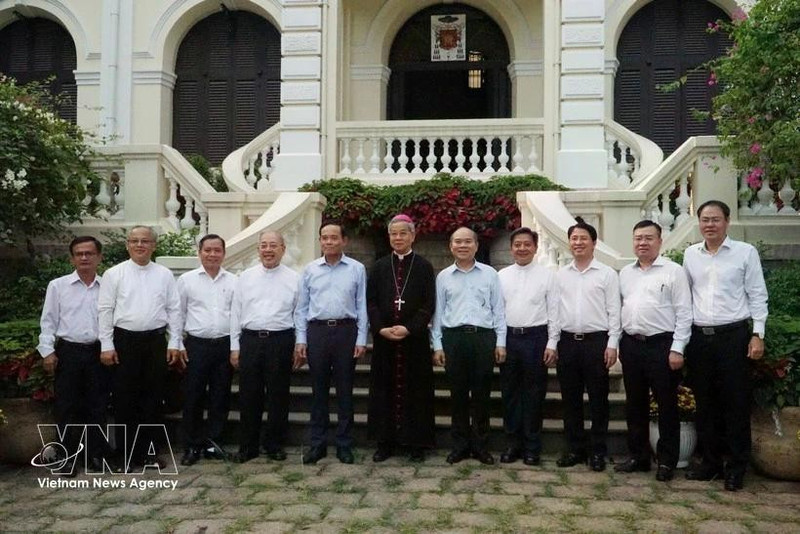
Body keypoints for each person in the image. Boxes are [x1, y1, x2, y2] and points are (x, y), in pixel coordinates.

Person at [683, 200, 768, 491]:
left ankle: (736, 466)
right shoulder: (690, 255)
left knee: (735, 403)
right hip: (699, 339)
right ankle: (710, 463)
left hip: (733, 338)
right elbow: (685, 299)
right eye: (705, 219)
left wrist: (758, 334)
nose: (710, 225)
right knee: (705, 403)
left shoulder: (745, 253)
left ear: (727, 222)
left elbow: (757, 294)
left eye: (715, 219)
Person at [98, 226, 182, 468]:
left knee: (152, 399)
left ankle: (148, 453)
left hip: (155, 342)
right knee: (125, 400)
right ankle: (125, 454)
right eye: (134, 241)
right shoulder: (114, 274)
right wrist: (106, 344)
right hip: (124, 343)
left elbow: (174, 309)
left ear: (153, 246)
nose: (139, 245)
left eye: (145, 241)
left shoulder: (164, 274)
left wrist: (175, 341)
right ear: (127, 245)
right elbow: (105, 310)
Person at [615, 220, 692, 482]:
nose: (642, 243)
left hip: (662, 345)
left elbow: (684, 313)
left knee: (666, 404)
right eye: (638, 238)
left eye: (648, 238)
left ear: (660, 241)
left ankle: (667, 461)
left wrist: (677, 348)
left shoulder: (674, 271)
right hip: (632, 345)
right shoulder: (625, 273)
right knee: (634, 404)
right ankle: (639, 456)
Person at [37, 236, 112, 476]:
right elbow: (48, 321)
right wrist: (47, 350)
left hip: (98, 352)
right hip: (68, 351)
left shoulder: (108, 288)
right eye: (79, 254)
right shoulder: (58, 286)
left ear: (99, 257)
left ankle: (96, 455)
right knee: (67, 406)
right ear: (72, 258)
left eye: (89, 253)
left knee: (98, 406)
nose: (84, 257)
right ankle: (66, 456)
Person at [294, 222, 368, 465]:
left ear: (343, 240)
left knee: (345, 392)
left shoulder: (356, 269)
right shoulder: (310, 270)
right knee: (319, 391)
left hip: (346, 331)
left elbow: (362, 306)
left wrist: (361, 338)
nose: (328, 242)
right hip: (318, 332)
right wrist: (301, 339)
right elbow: (302, 308)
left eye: (333, 237)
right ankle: (318, 444)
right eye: (324, 238)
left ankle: (344, 444)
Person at [432, 227, 506, 465]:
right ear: (450, 246)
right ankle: (460, 445)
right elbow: (438, 313)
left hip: (483, 338)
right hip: (454, 338)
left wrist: (500, 342)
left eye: (467, 241)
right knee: (458, 395)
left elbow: (499, 311)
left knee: (482, 395)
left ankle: (481, 446)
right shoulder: (443, 276)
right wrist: (437, 345)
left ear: (476, 245)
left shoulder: (490, 274)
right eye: (457, 242)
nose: (462, 246)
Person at [367, 214, 436, 463]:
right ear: (389, 237)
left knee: (416, 391)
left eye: (403, 233)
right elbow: (371, 302)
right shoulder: (379, 266)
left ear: (413, 235)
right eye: (394, 233)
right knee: (383, 390)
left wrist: (410, 328)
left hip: (413, 341)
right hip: (385, 340)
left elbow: (429, 304)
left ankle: (416, 442)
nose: (398, 237)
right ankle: (385, 442)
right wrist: (380, 328)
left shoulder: (424, 267)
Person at [555, 217, 620, 472]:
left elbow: (615, 311)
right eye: (574, 238)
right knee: (570, 399)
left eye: (583, 238)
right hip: (568, 342)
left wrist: (612, 343)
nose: (578, 242)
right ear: (569, 243)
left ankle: (598, 451)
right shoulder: (560, 275)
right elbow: (555, 311)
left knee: (598, 399)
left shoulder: (606, 274)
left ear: (594, 243)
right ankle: (574, 449)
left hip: (596, 342)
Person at [229, 230, 298, 463]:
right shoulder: (245, 277)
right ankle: (248, 446)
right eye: (264, 245)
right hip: (250, 341)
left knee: (278, 395)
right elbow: (235, 313)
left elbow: (299, 314)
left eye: (273, 245)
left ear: (283, 248)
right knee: (249, 395)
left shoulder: (294, 278)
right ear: (258, 249)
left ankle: (274, 444)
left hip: (281, 340)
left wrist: (300, 344)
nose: (268, 250)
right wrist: (234, 346)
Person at [497, 227, 559, 466]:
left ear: (535, 247)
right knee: (510, 394)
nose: (522, 248)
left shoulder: (547, 276)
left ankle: (533, 446)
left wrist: (552, 343)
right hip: (510, 339)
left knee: (534, 394)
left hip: (536, 338)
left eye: (527, 244)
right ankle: (513, 444)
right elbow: (498, 313)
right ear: (511, 248)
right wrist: (499, 343)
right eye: (517, 244)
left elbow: (554, 311)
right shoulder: (501, 276)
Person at [176, 234, 236, 466]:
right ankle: (192, 445)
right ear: (199, 252)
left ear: (223, 253)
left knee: (220, 397)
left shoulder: (233, 281)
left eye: (217, 250)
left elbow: (237, 316)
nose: (212, 254)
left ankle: (214, 443)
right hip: (196, 345)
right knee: (193, 397)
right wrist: (178, 343)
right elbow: (178, 314)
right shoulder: (187, 280)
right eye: (207, 250)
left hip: (223, 345)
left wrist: (235, 348)